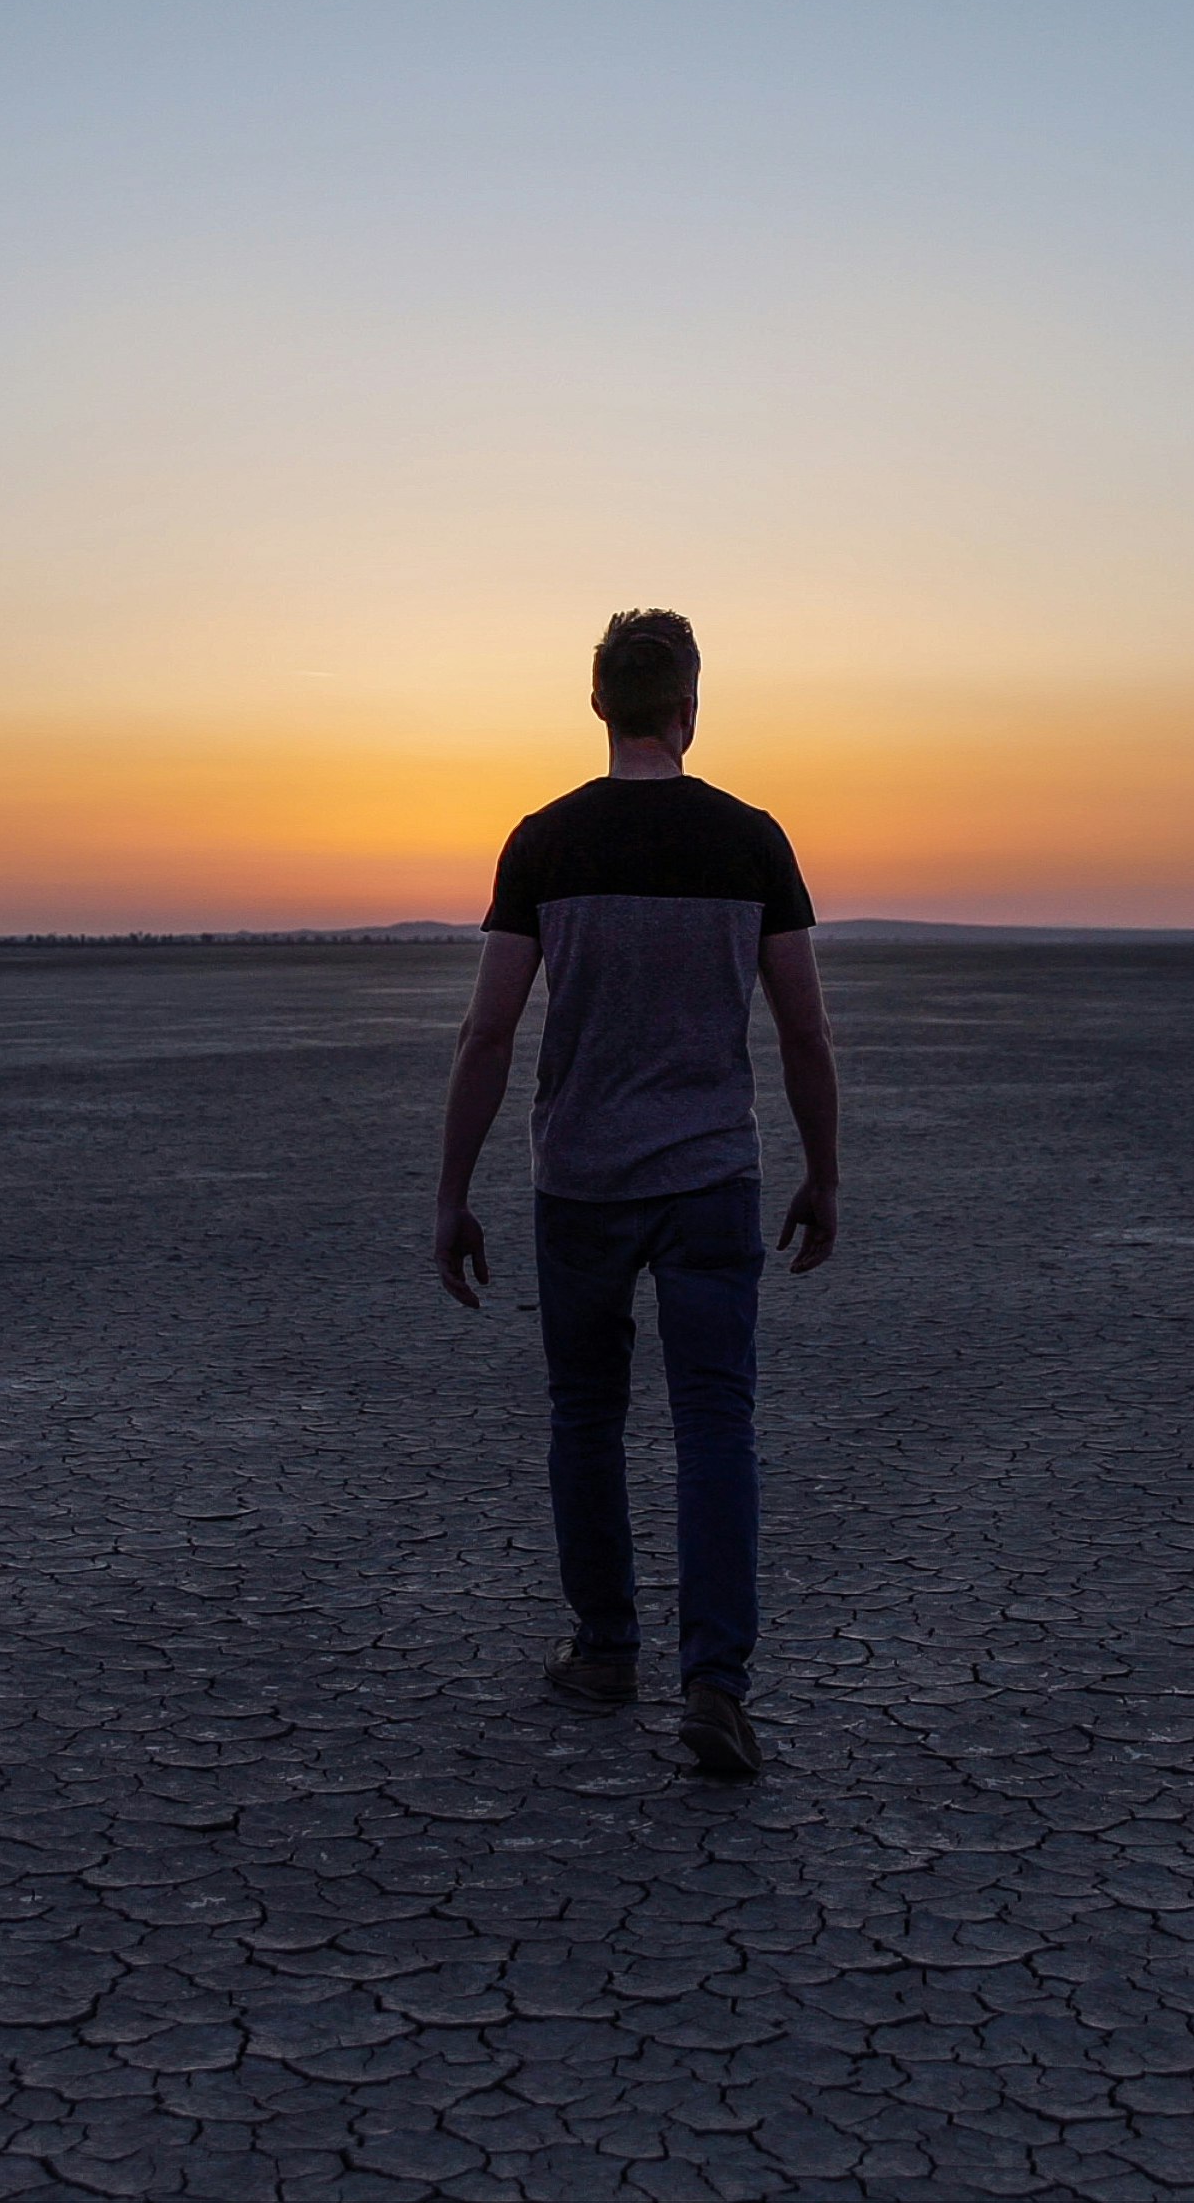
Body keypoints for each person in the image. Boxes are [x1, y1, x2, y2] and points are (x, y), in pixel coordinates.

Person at [432, 609, 840, 1779]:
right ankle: (714, 1683)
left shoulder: (544, 842)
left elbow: (487, 1029)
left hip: (582, 1181)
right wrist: (824, 1169)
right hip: (711, 1173)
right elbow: (805, 1027)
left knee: (585, 1414)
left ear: (599, 705)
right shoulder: (749, 840)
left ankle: (606, 1648)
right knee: (716, 1421)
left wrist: (451, 1192)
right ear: (688, 707)